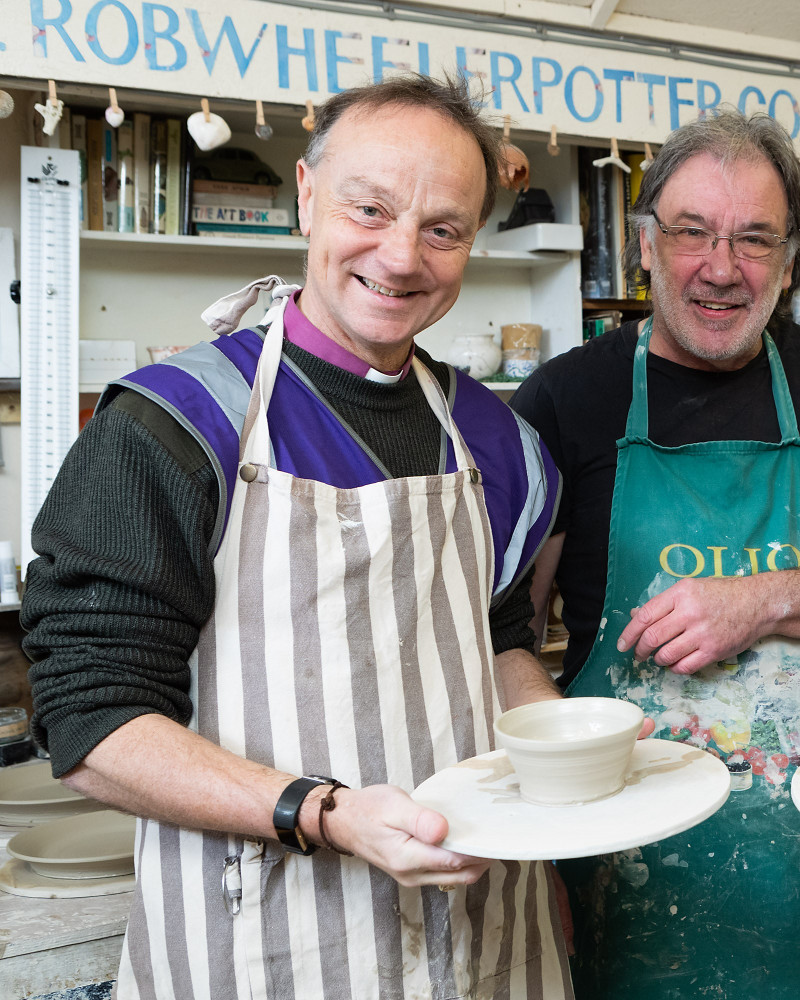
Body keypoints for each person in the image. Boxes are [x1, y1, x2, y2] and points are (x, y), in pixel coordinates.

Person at [22, 76, 570, 998]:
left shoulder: (498, 441)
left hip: (483, 933)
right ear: (309, 199)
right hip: (264, 930)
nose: (401, 258)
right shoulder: (176, 423)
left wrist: (569, 750)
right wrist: (325, 813)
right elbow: (92, 721)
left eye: (442, 229)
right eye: (370, 209)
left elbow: (499, 640)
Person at [510, 108, 800, 998]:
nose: (722, 267)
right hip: (623, 851)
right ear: (644, 246)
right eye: (692, 234)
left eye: (755, 239)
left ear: (788, 263)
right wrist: (543, 825)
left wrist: (757, 600)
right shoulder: (566, 397)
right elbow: (504, 631)